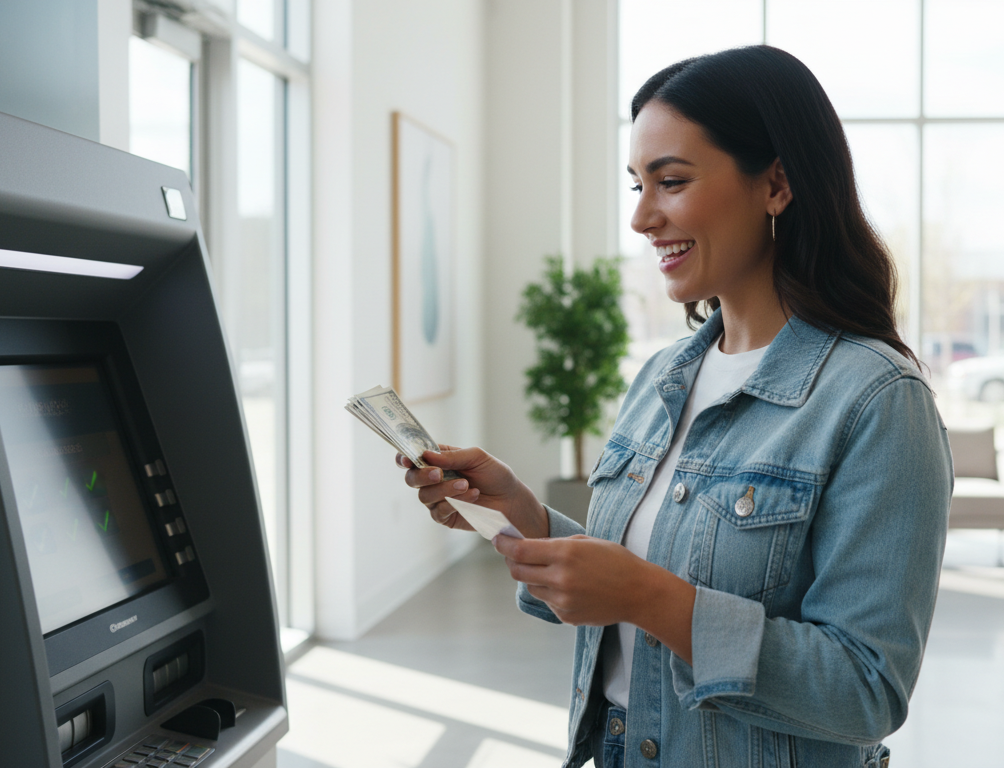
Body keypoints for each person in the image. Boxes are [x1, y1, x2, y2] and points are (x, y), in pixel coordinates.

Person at [400, 45, 953, 768]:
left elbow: (866, 688)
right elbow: (644, 567)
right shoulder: (663, 377)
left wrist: (652, 599)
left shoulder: (877, 402)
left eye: (671, 181)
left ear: (777, 184)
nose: (641, 218)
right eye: (636, 184)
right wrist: (522, 516)